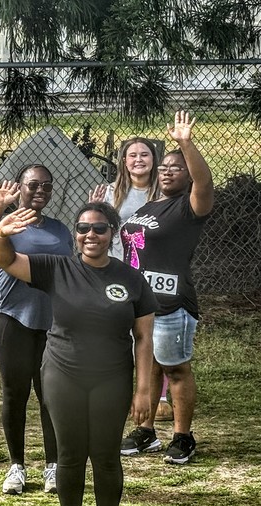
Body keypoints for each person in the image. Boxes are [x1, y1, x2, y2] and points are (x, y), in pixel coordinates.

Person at [0, 201, 156, 506]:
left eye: (99, 228)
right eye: (83, 229)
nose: (90, 235)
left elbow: (144, 338)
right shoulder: (56, 268)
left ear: (113, 233)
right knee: (69, 456)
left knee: (105, 456)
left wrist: (144, 390)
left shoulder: (131, 279)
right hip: (62, 375)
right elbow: (6, 261)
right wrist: (1, 234)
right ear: (76, 234)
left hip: (111, 378)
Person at [118, 110, 213, 465]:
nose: (168, 170)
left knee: (175, 369)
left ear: (188, 175)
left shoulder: (190, 206)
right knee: (146, 368)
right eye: (165, 166)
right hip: (139, 303)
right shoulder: (151, 205)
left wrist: (185, 144)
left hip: (172, 304)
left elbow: (204, 183)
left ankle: (183, 436)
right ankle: (145, 432)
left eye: (178, 167)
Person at [0, 166, 73, 495]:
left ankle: (53, 467)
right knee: (15, 393)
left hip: (52, 320)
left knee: (51, 395)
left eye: (46, 185)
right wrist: (0, 207)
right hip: (11, 317)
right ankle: (17, 467)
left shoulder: (60, 230)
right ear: (21, 188)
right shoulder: (8, 222)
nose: (40, 190)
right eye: (33, 185)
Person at [91, 138, 173, 422]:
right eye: (132, 155)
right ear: (123, 161)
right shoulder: (111, 193)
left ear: (155, 159)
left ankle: (159, 396)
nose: (139, 159)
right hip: (117, 272)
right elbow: (97, 231)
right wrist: (95, 209)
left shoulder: (165, 192)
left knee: (152, 333)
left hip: (152, 272)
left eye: (145, 154)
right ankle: (120, 391)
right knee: (118, 334)